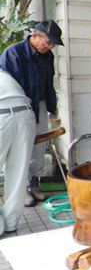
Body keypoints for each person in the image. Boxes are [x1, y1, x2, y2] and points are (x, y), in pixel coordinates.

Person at [0, 20, 63, 207]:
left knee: (39, 145)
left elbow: (48, 83)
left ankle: (33, 183)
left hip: (40, 104)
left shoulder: (47, 56)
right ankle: (20, 191)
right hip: (18, 108)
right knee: (20, 148)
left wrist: (52, 108)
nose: (49, 46)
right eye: (47, 42)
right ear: (34, 36)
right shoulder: (13, 53)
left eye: (52, 44)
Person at [0, 70, 36, 235]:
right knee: (18, 173)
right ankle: (10, 224)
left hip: (2, 117)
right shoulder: (4, 75)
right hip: (26, 116)